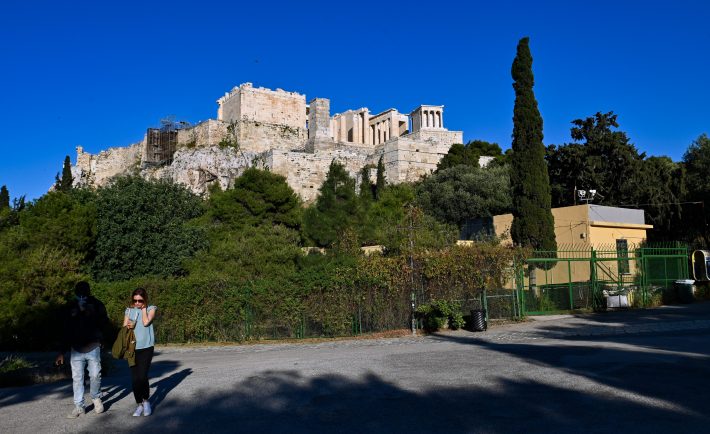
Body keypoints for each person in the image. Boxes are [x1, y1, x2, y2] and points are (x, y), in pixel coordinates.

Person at [55, 281, 109, 418]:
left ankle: (96, 397)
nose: (82, 294)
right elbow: (65, 330)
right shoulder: (70, 307)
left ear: (89, 291)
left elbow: (104, 323)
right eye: (79, 291)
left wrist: (88, 311)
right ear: (75, 292)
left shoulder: (97, 304)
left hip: (93, 346)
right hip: (76, 349)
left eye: (85, 291)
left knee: (95, 374)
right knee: (77, 378)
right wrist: (61, 351)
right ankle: (79, 406)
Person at [123, 288, 157, 417]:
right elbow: (124, 328)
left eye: (140, 300)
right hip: (132, 348)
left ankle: (146, 401)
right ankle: (139, 404)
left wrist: (143, 309)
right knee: (135, 379)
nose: (137, 303)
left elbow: (146, 322)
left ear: (145, 299)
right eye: (135, 300)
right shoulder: (128, 310)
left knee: (142, 376)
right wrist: (128, 326)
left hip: (146, 347)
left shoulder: (151, 309)